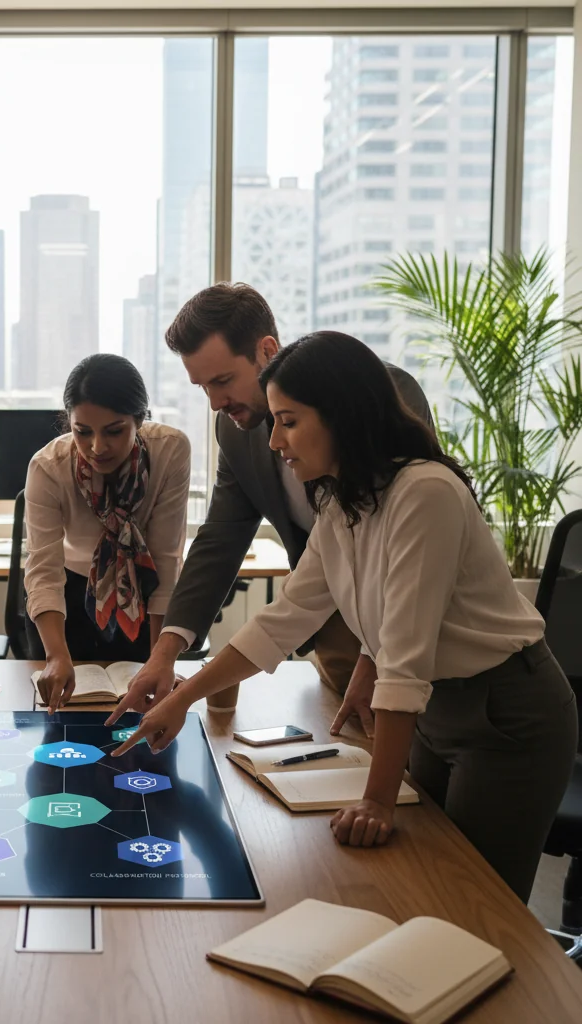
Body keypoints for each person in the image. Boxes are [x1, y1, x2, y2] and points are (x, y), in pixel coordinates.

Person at [112, 331, 577, 902]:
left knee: (477, 901)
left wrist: (378, 800)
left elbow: (403, 661)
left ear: (340, 416)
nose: (275, 441)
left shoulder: (424, 492)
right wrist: (181, 698)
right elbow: (283, 620)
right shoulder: (342, 500)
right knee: (422, 878)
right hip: (436, 713)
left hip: (505, 715)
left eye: (288, 421)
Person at [115, 283, 432, 732]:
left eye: (222, 381)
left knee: (408, 768)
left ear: (267, 351)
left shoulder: (379, 395)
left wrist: (375, 654)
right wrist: (165, 653)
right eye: (203, 387)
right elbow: (219, 541)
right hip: (329, 623)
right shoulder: (235, 432)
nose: (215, 404)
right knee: (347, 760)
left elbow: (407, 549)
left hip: (406, 629)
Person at [26, 354, 191, 712]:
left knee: (140, 719)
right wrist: (55, 656)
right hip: (69, 601)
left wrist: (161, 660)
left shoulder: (170, 451)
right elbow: (43, 571)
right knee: (65, 725)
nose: (97, 448)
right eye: (82, 431)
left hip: (141, 596)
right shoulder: (48, 467)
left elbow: (166, 559)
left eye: (114, 431)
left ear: (140, 420)